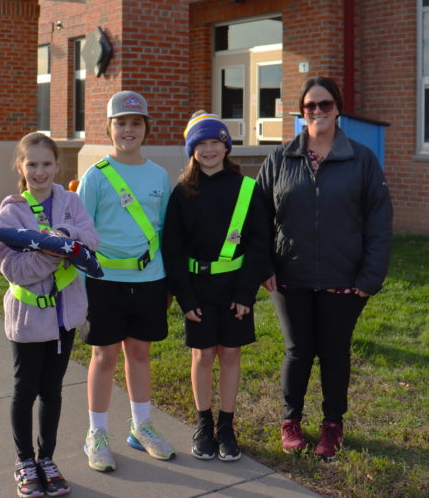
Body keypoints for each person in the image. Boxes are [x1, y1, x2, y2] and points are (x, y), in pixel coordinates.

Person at [257, 77, 393, 461]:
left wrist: (370, 277)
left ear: (338, 108)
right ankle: (291, 422)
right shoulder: (280, 159)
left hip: (343, 280)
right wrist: (263, 265)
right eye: (309, 106)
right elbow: (257, 219)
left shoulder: (362, 159)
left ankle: (332, 426)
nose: (317, 112)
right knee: (297, 351)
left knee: (334, 353)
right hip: (290, 277)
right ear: (301, 112)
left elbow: (379, 221)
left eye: (325, 104)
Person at [0, 133, 99, 497]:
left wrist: (63, 235)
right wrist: (56, 250)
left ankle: (47, 459)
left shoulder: (70, 200)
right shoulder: (11, 211)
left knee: (52, 391)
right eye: (32, 164)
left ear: (57, 165)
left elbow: (90, 237)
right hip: (28, 319)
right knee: (25, 390)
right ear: (20, 166)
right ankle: (25, 461)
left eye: (47, 163)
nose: (40, 171)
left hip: (64, 317)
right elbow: (15, 268)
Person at [162, 112, 273, 462]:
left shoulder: (246, 189)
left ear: (226, 145)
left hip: (234, 288)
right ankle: (203, 423)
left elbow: (259, 244)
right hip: (197, 289)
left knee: (230, 354)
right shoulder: (182, 193)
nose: (209, 149)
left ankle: (226, 426)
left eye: (216, 142)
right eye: (201, 143)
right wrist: (185, 296)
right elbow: (173, 249)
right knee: (203, 355)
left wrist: (245, 294)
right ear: (191, 150)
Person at [77, 91, 175, 471]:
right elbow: (82, 234)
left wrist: (166, 283)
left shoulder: (159, 176)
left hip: (150, 280)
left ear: (146, 128)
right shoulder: (96, 176)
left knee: (140, 353)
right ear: (110, 127)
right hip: (103, 281)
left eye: (136, 123)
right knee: (104, 355)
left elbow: (164, 230)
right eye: (121, 123)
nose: (128, 130)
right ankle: (96, 433)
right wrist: (82, 285)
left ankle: (141, 427)